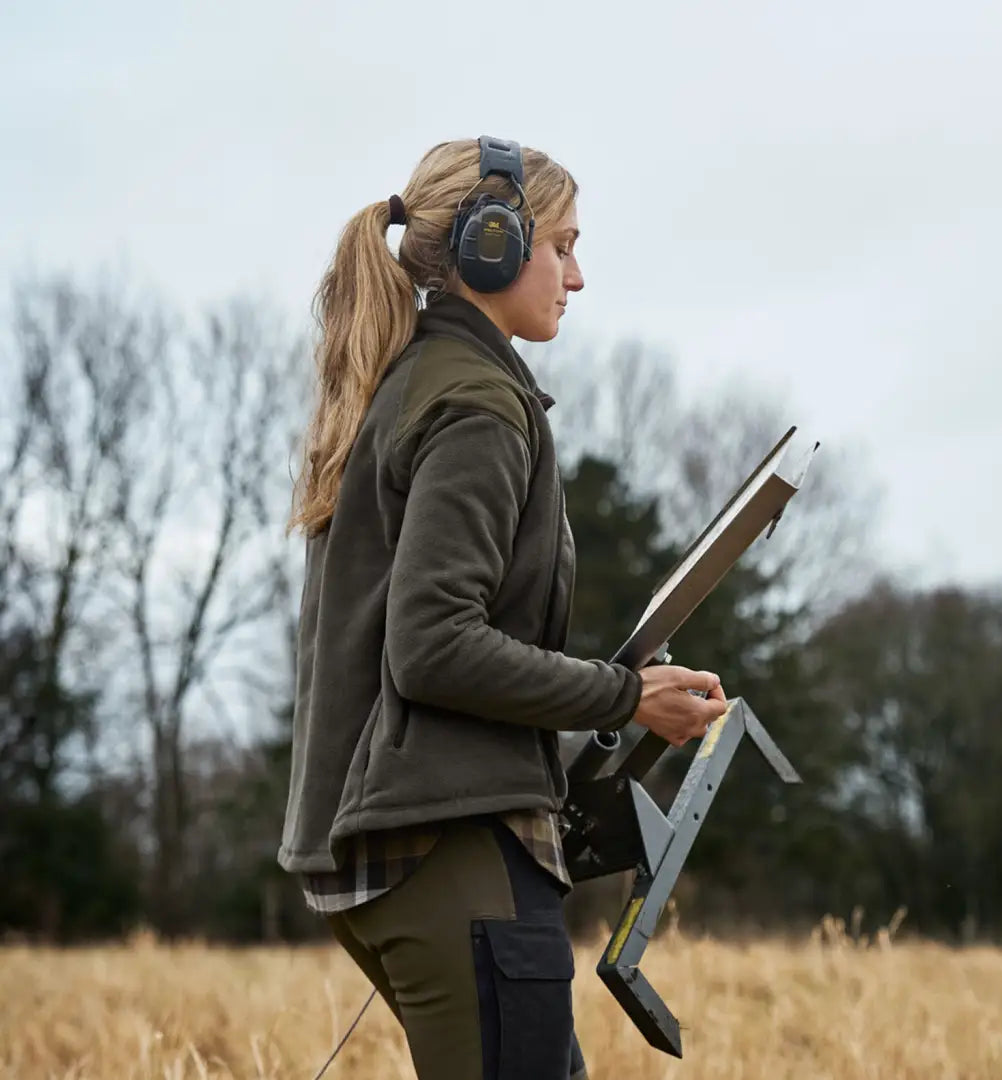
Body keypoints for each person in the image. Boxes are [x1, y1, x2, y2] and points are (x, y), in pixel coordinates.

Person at [278, 136, 729, 1080]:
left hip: (421, 848)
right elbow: (435, 645)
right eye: (561, 245)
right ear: (491, 244)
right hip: (448, 852)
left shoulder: (418, 382)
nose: (577, 274)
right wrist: (623, 697)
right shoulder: (477, 403)